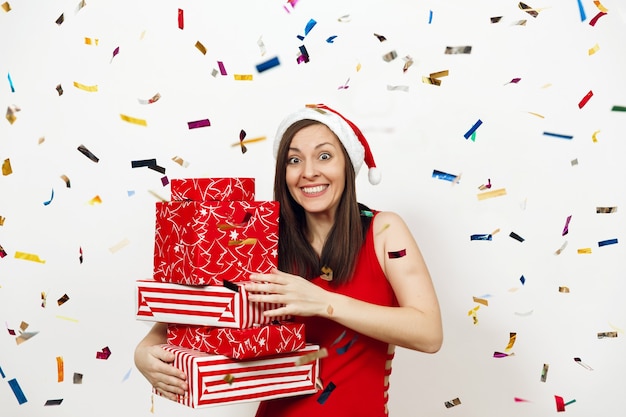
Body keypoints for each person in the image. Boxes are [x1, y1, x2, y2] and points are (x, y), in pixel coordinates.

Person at [134, 103, 443, 416]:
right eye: (294, 160)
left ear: (348, 164)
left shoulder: (385, 231)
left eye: (324, 156)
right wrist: (144, 353)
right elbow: (192, 312)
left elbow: (429, 334)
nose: (308, 172)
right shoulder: (262, 240)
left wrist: (323, 303)